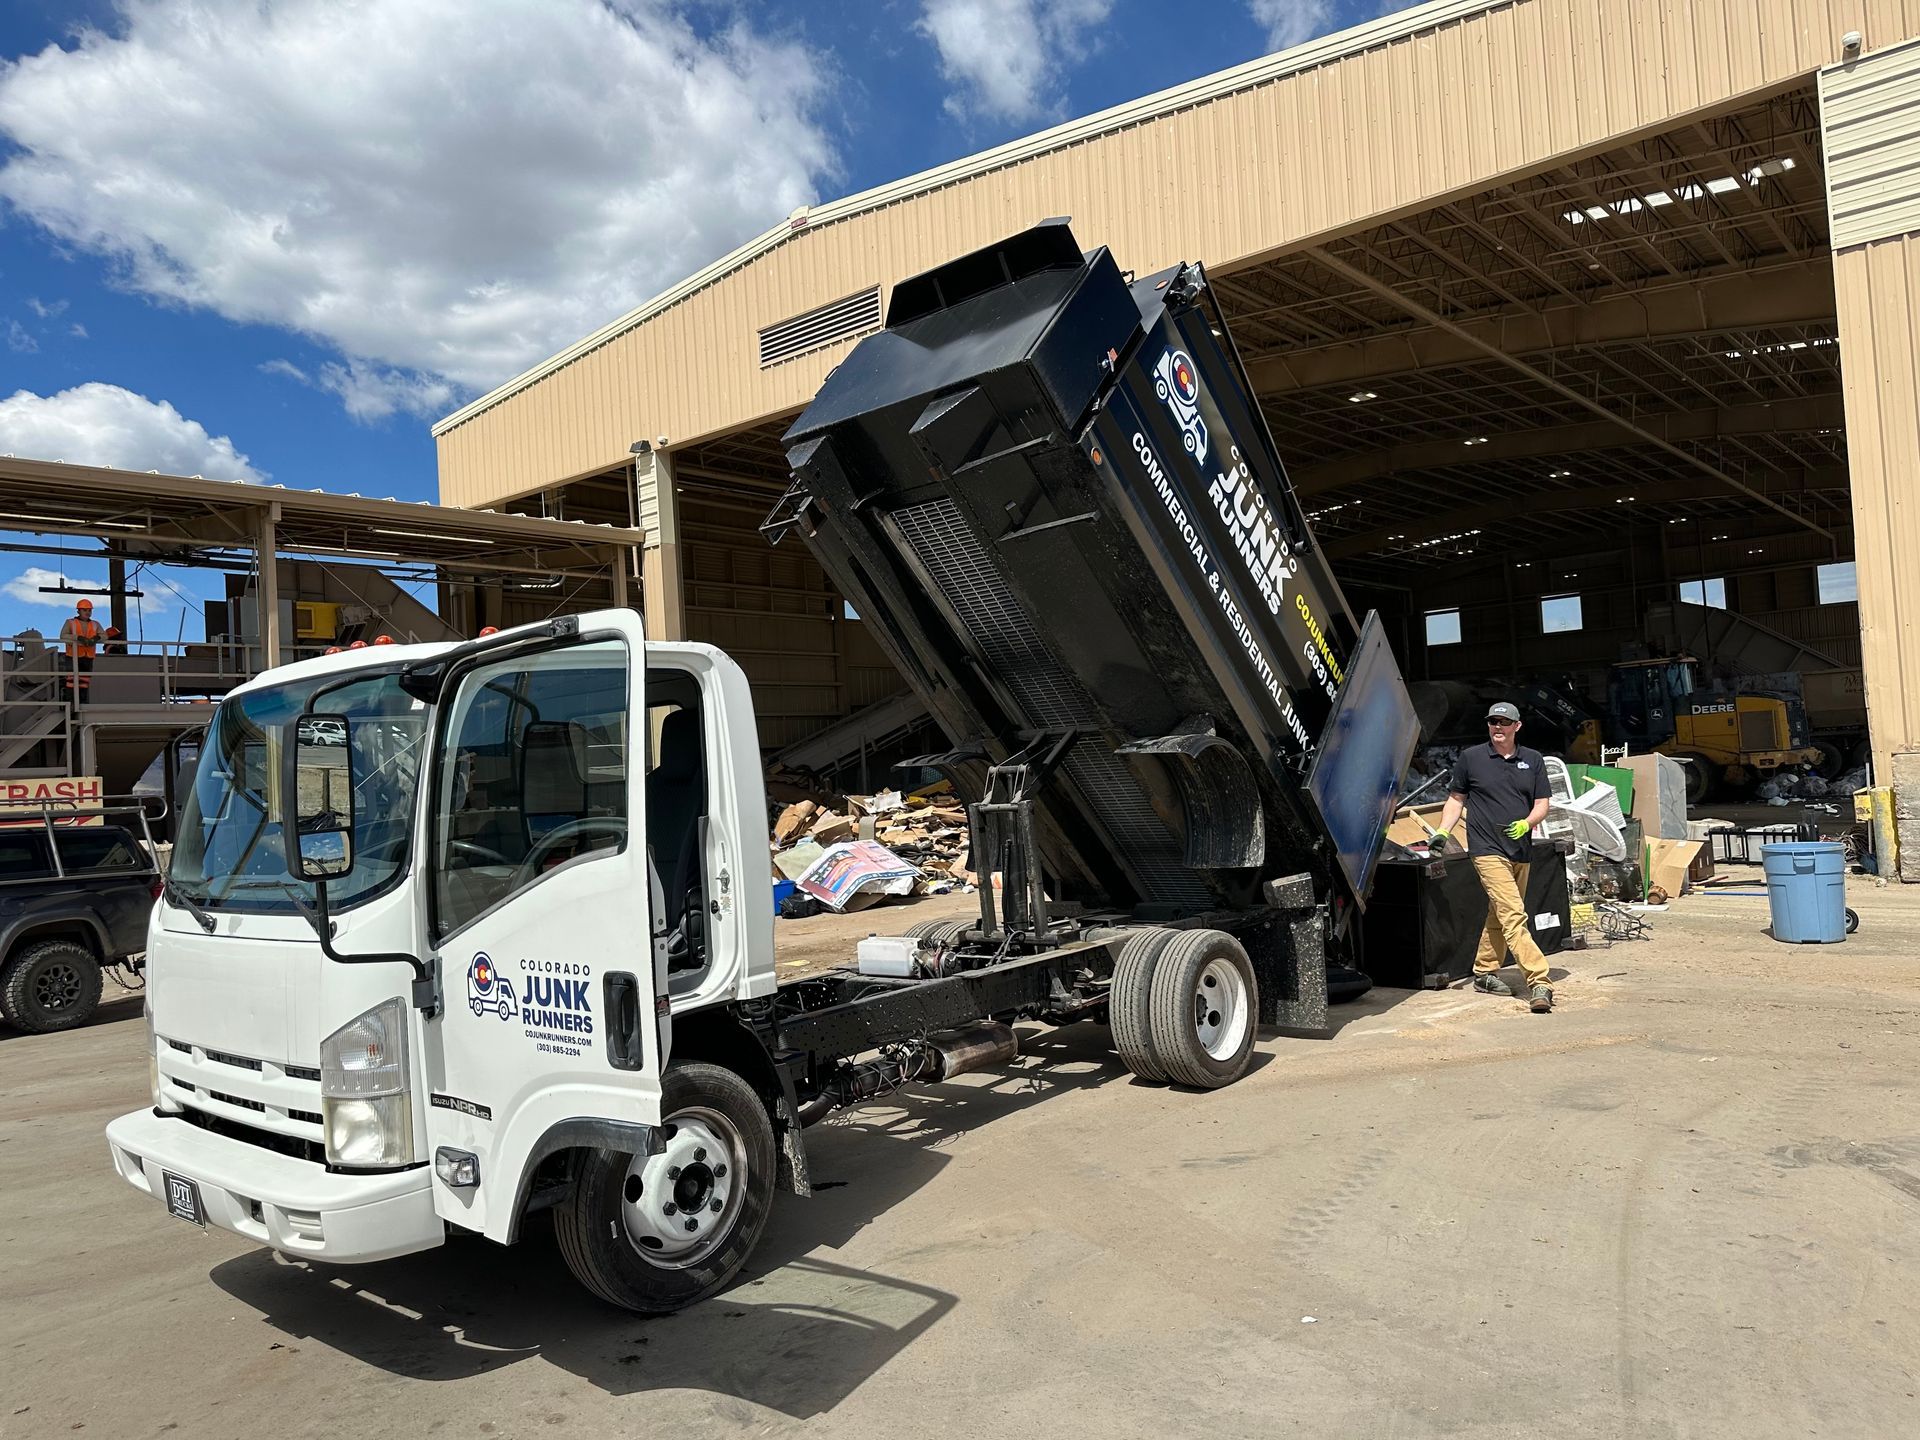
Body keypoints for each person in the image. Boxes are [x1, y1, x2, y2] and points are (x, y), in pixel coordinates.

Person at [1427, 701, 1555, 1012]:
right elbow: (1456, 800)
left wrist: (1528, 823)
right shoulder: (1472, 759)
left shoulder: (1533, 760)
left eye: (1504, 722)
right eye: (1493, 722)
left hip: (1520, 848)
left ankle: (1484, 972)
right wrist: (1443, 831)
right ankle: (1539, 980)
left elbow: (1542, 804)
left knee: (1499, 914)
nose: (1498, 727)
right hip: (1486, 848)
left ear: (1517, 727)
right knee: (1513, 913)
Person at [57, 599, 103, 704]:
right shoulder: (70, 623)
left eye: (89, 610)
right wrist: (78, 638)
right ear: (78, 611)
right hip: (73, 656)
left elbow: (104, 636)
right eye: (85, 610)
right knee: (72, 681)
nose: (87, 612)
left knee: (84, 681)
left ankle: (81, 702)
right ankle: (71, 703)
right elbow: (63, 636)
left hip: (87, 657)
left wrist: (96, 638)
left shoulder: (95, 624)